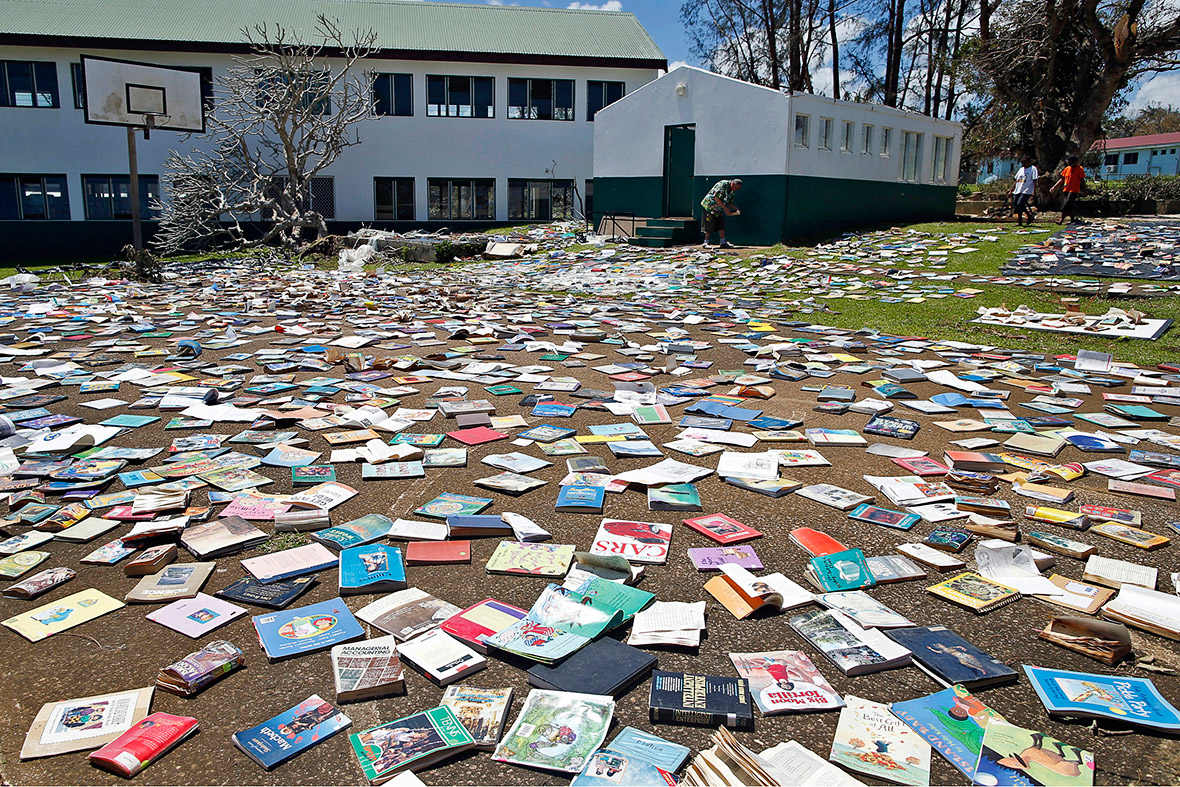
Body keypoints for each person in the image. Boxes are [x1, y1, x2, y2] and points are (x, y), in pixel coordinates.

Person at [701, 178, 742, 248]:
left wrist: (735, 209)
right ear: (732, 184)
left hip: (719, 208)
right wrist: (725, 209)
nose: (736, 190)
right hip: (710, 206)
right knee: (709, 223)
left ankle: (723, 242)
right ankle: (706, 242)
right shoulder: (723, 184)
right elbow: (716, 198)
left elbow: (729, 202)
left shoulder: (731, 192)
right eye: (735, 188)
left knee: (721, 224)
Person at [1053, 155, 1085, 225]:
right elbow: (1062, 179)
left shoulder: (1079, 169)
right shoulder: (1067, 169)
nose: (1070, 163)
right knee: (1070, 205)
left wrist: (1085, 189)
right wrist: (1054, 187)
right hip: (1066, 189)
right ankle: (1072, 219)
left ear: (1075, 162)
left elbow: (1082, 180)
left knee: (1066, 205)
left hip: (1074, 190)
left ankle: (1061, 220)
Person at [1011, 156, 1038, 226]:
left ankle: (1028, 216)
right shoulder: (1021, 170)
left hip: (1027, 190)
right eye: (1022, 163)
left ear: (1029, 162)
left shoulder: (1033, 169)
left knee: (1020, 204)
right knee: (1016, 205)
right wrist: (1011, 191)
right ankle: (1024, 219)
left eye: (1024, 163)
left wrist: (1034, 191)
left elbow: (1035, 181)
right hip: (1018, 189)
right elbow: (1016, 181)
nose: (1023, 164)